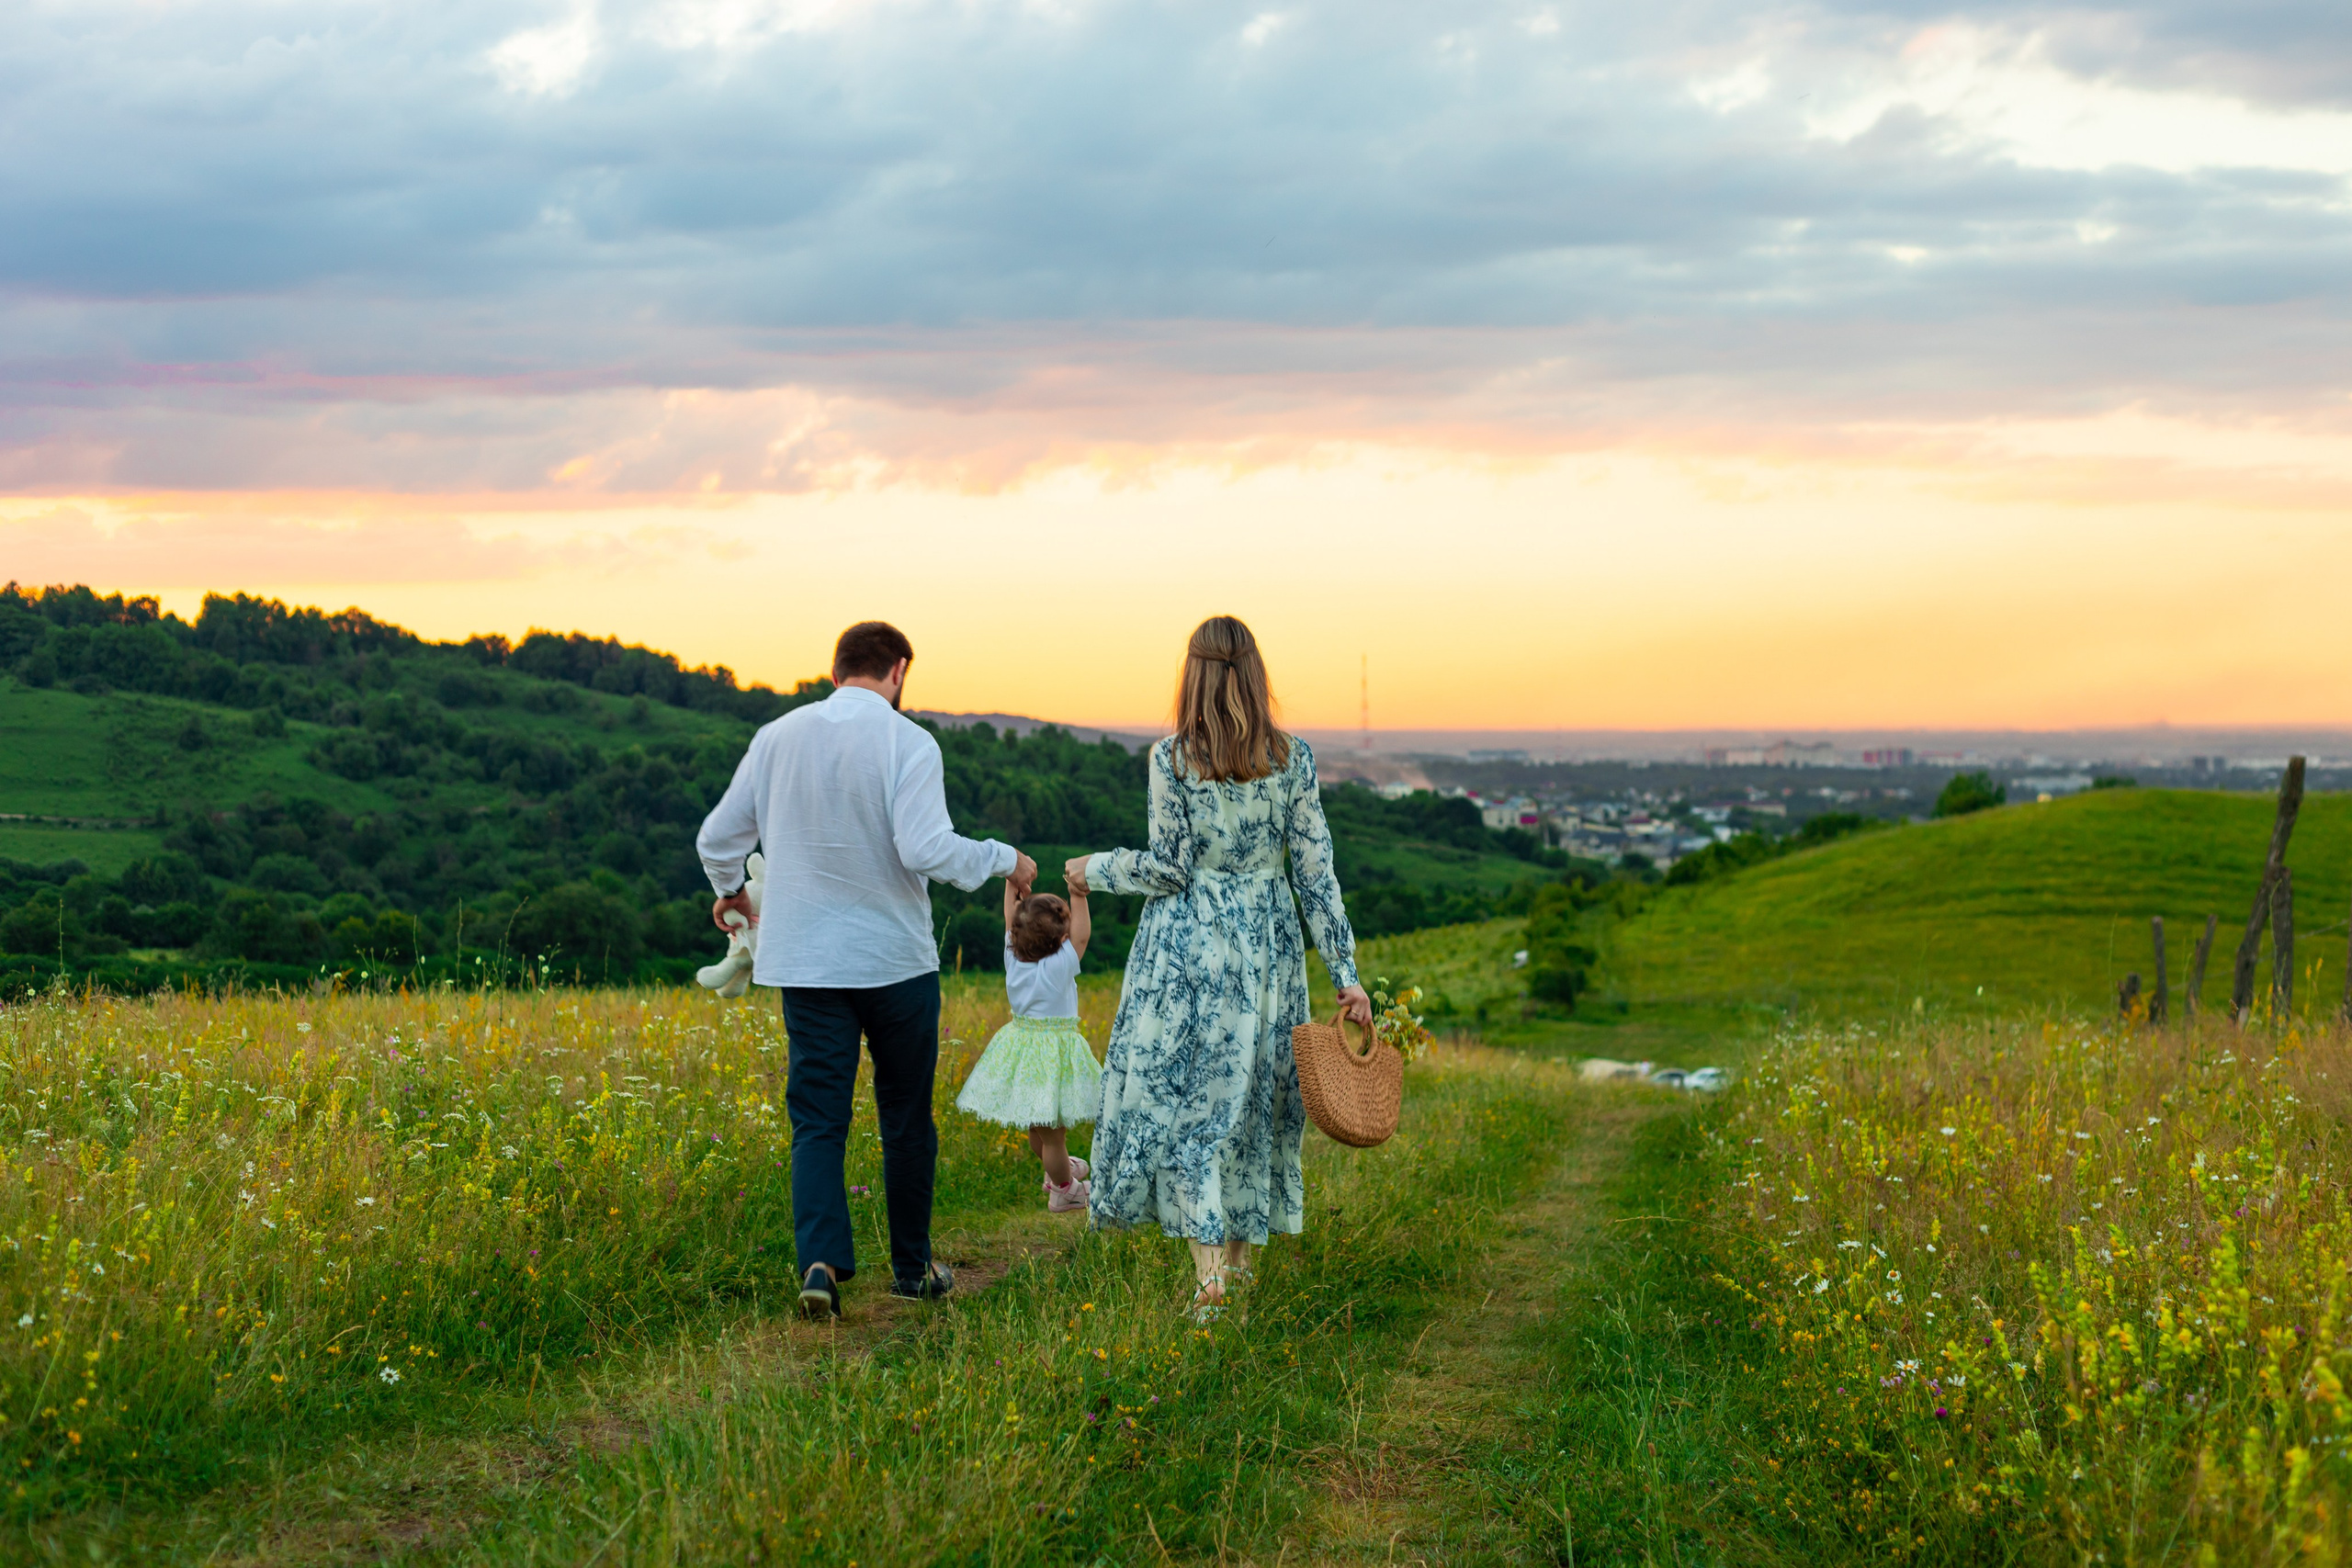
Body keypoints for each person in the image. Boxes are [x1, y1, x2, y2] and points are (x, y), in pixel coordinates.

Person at [696, 620, 1035, 1320]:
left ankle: (819, 1262)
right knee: (906, 1117)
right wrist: (1005, 856)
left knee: (818, 1118)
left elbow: (717, 836)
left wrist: (730, 888)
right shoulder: (907, 741)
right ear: (899, 670)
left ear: (837, 669)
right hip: (894, 963)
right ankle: (912, 1270)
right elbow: (927, 849)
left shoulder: (777, 737)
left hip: (807, 964)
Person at [1066, 615, 1371, 1320]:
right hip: (1267, 953)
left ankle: (1210, 1277)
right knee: (1252, 1102)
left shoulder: (1171, 758)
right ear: (1257, 673)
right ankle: (1238, 1264)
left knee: (1187, 1105)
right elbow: (1316, 874)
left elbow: (1169, 868)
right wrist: (1345, 972)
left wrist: (1095, 868)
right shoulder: (1293, 758)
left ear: (1193, 673)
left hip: (1187, 953)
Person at [953, 879, 1103, 1213]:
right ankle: (1065, 1189)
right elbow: (1082, 935)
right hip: (1051, 1053)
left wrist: (1012, 886)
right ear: (1060, 938)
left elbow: (1010, 920)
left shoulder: (1013, 956)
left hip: (1022, 1050)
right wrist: (1078, 896)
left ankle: (1057, 1168)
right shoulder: (1060, 964)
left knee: (1039, 1123)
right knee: (1054, 1134)